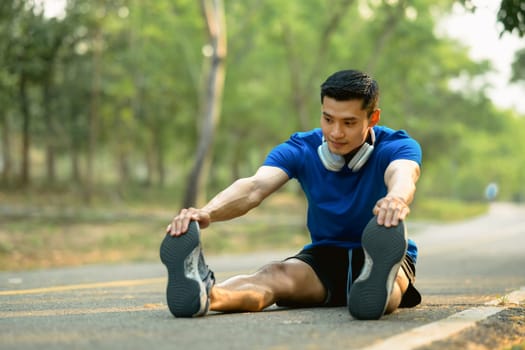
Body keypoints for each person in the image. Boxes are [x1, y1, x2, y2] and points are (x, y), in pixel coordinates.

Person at [160, 69, 422, 320]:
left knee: (392, 286)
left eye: (349, 122)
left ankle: (378, 288)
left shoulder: (397, 145)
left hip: (383, 254)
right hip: (325, 256)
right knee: (275, 275)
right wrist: (207, 212)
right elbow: (254, 187)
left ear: (373, 118)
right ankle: (207, 294)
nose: (335, 132)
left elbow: (403, 174)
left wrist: (396, 199)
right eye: (328, 119)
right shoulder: (302, 147)